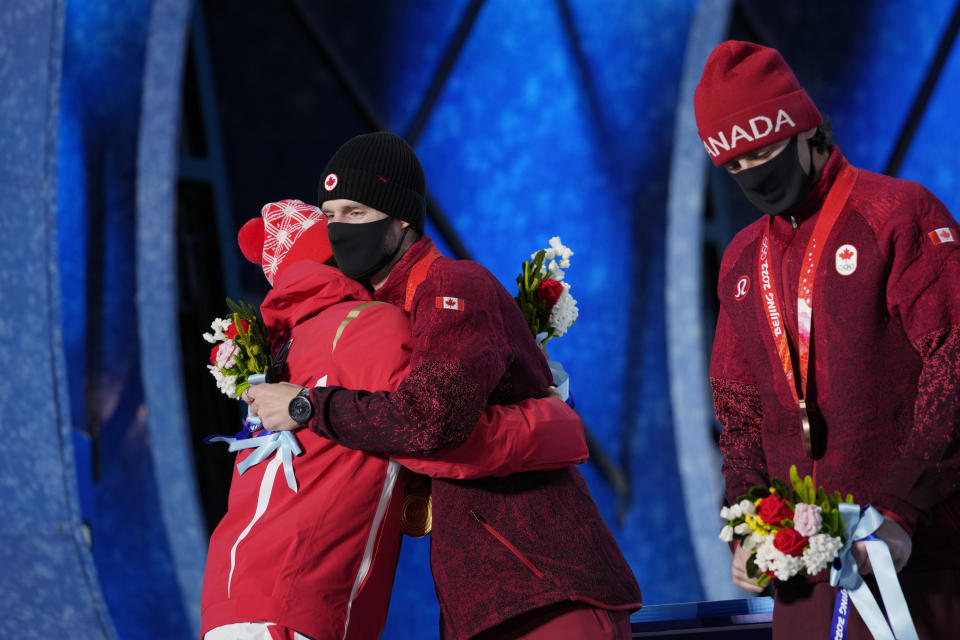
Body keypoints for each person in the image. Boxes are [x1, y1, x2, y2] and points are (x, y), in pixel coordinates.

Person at [247, 133, 642, 639]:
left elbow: (430, 418)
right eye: (330, 216)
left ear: (402, 217)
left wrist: (306, 407)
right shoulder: (374, 319)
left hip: (545, 588)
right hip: (479, 603)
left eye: (355, 212)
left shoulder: (454, 285)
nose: (339, 229)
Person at [201, 200, 589, 640]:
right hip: (299, 599)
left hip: (230, 594)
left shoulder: (280, 351)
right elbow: (432, 432)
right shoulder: (370, 326)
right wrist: (555, 421)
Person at [696, 41, 960, 638]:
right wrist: (748, 528)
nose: (750, 176)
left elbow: (954, 363)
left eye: (760, 153)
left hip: (916, 552)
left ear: (802, 127)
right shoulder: (742, 261)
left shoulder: (897, 213)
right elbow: (739, 413)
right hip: (806, 570)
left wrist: (901, 509)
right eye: (733, 166)